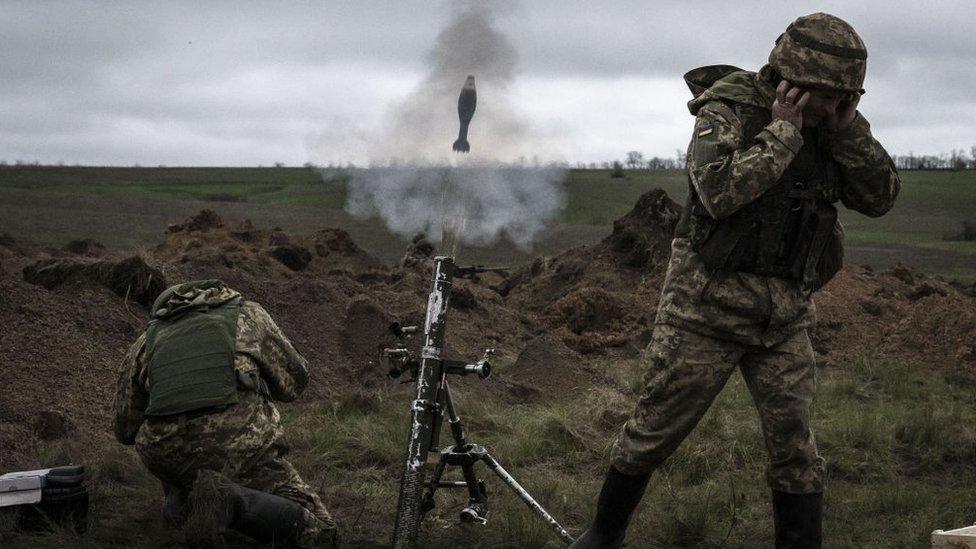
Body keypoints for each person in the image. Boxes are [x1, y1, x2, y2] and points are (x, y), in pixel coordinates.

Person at [572, 13, 900, 549]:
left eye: (846, 98)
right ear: (788, 82)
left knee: (796, 448)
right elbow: (719, 192)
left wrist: (850, 133)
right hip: (706, 309)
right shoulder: (726, 111)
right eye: (825, 96)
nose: (832, 108)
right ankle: (603, 535)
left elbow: (880, 198)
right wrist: (782, 134)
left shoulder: (836, 128)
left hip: (783, 316)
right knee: (655, 429)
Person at [113, 279, 338, 548]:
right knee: (323, 533)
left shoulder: (145, 342)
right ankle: (229, 500)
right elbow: (295, 383)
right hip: (240, 448)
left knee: (176, 458)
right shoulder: (249, 315)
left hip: (166, 456)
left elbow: (124, 429)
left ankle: (184, 502)